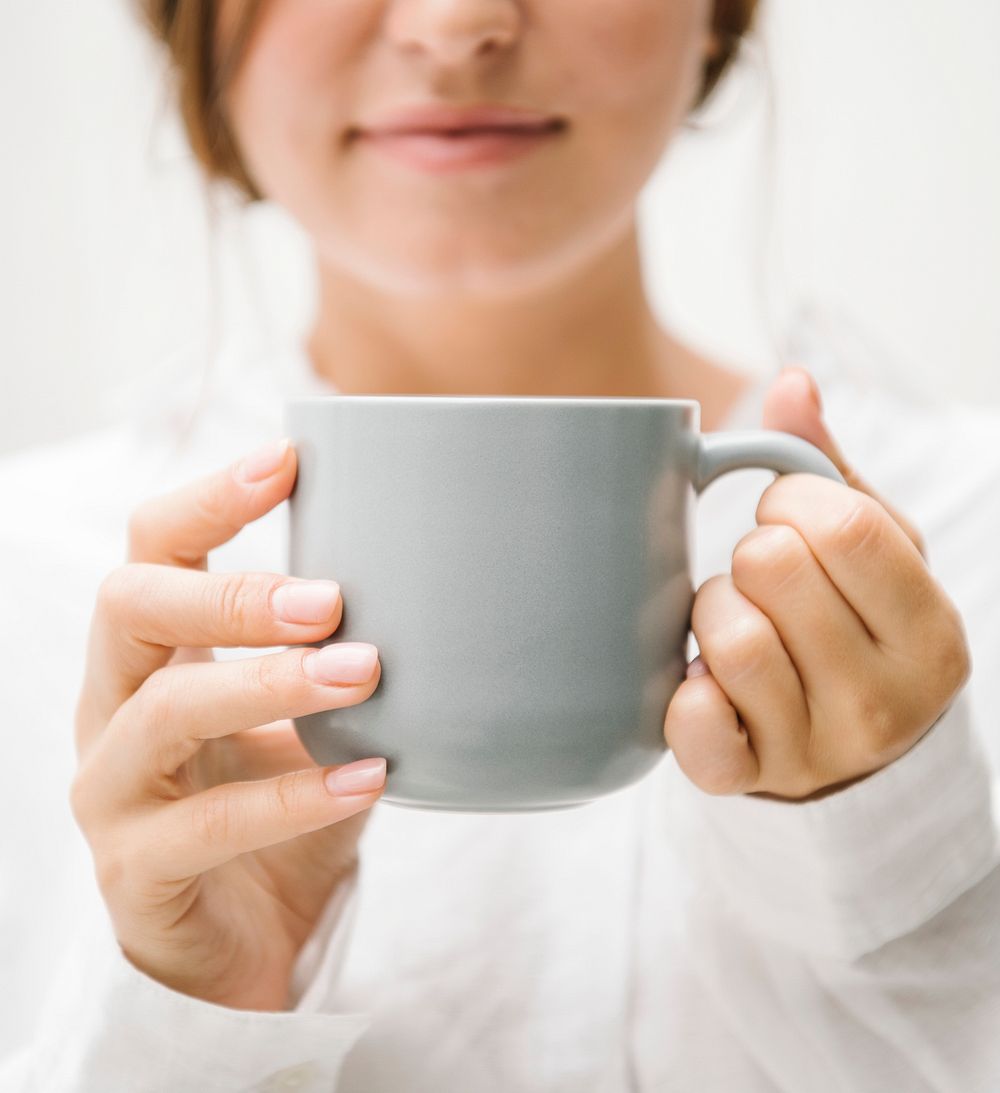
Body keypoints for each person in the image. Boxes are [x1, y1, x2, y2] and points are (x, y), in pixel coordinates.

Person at [1, 0, 998, 1089]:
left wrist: (881, 870)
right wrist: (193, 1020)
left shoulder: (964, 528)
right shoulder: (34, 571)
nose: (455, 22)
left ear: (716, 15)